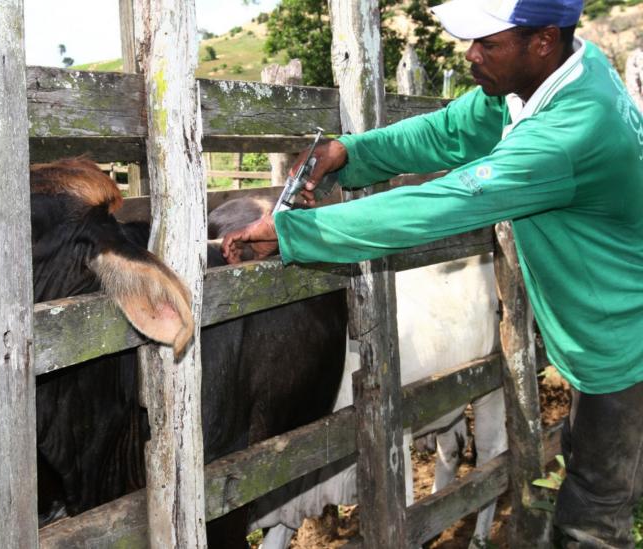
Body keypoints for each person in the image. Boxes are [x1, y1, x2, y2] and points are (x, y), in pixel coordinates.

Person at [221, 0, 643, 545]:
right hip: (602, 329)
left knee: (592, 522)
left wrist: (295, 232)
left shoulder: (567, 133)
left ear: (542, 40)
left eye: (488, 43)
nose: (472, 55)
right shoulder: (560, 74)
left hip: (623, 346)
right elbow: (448, 131)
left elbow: (443, 202)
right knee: (591, 474)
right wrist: (349, 153)